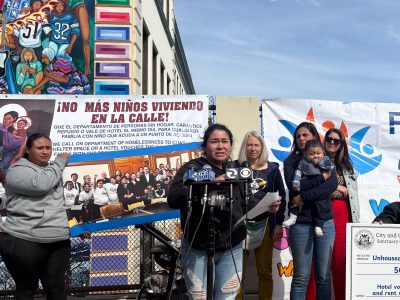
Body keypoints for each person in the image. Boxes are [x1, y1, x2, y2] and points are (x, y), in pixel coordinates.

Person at [167, 123, 246, 299]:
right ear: (204, 146)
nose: (220, 146)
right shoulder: (192, 168)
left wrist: (267, 206)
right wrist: (209, 185)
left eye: (225, 141)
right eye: (214, 141)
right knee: (199, 297)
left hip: (232, 246)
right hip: (198, 248)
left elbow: (244, 204)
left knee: (227, 297)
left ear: (231, 145)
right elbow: (173, 198)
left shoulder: (235, 170)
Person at [0, 133, 70, 299]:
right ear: (27, 150)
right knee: (26, 289)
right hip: (24, 238)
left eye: (48, 147)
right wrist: (60, 161)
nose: (45, 151)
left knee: (57, 289)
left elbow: (59, 203)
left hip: (58, 239)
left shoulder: (53, 169)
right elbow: (41, 184)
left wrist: (81, 226)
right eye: (40, 148)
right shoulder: (16, 171)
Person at [283, 122, 338, 300]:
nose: (301, 138)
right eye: (298, 136)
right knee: (300, 278)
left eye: (305, 135)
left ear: (314, 137)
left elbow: (331, 186)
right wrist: (321, 177)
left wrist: (304, 197)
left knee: (323, 277)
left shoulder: (325, 158)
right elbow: (296, 187)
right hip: (300, 226)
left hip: (325, 223)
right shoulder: (291, 161)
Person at [236, 131, 285, 300]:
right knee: (237, 273)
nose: (253, 148)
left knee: (264, 271)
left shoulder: (273, 169)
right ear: (244, 146)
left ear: (262, 147)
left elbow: (282, 197)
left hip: (265, 224)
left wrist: (279, 223)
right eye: (249, 144)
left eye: (256, 145)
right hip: (239, 226)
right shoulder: (235, 167)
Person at [324, 127, 360, 300]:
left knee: (340, 264)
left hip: (342, 213)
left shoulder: (346, 166)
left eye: (336, 141)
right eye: (329, 139)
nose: (332, 142)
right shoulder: (315, 160)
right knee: (319, 264)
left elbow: (350, 194)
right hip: (321, 211)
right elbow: (315, 186)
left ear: (341, 145)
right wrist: (337, 187)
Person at [283, 139, 334, 237]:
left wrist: (318, 162)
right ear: (306, 154)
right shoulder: (302, 162)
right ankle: (293, 217)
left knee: (319, 205)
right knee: (295, 203)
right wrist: (296, 183)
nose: (315, 156)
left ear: (323, 152)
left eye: (318, 153)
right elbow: (298, 172)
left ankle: (318, 225)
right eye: (312, 154)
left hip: (318, 191)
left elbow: (329, 171)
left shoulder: (326, 160)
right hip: (305, 182)